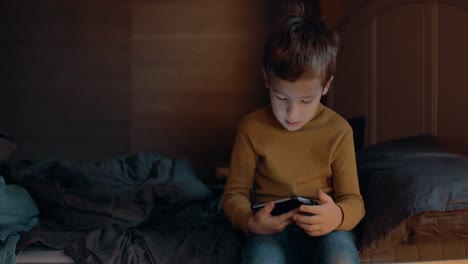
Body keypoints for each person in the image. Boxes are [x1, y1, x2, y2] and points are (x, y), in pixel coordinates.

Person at [222, 2, 365, 264]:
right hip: (271, 228)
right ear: (267, 79)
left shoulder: (339, 130)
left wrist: (338, 217)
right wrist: (252, 223)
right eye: (280, 97)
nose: (292, 114)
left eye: (306, 101)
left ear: (326, 87)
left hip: (324, 227)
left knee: (341, 257)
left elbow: (353, 201)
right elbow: (233, 195)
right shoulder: (251, 128)